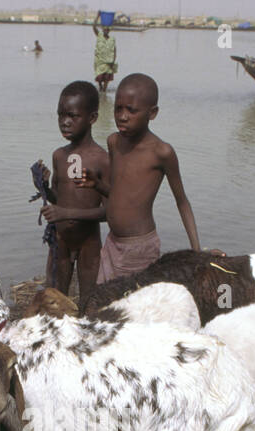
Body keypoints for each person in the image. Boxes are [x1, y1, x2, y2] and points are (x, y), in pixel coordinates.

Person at [76, 73, 205, 282]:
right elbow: (121, 195)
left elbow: (181, 201)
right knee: (106, 306)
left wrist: (197, 250)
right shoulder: (114, 143)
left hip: (139, 248)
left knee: (138, 306)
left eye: (132, 110)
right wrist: (98, 185)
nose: (123, 116)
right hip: (112, 243)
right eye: (118, 108)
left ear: (152, 113)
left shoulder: (161, 152)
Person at [38, 80, 109, 299]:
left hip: (89, 242)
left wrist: (66, 214)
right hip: (60, 241)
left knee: (88, 302)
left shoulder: (102, 159)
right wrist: (45, 188)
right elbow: (60, 200)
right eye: (60, 115)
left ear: (92, 118)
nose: (65, 122)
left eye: (72, 116)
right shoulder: (59, 155)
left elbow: (108, 212)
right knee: (56, 299)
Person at [93, 24, 116, 93]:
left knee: (107, 77)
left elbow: (114, 50)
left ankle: (104, 91)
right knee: (99, 77)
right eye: (105, 30)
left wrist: (114, 60)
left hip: (109, 61)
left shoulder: (112, 39)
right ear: (102, 30)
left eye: (107, 30)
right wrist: (97, 16)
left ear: (109, 31)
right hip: (100, 61)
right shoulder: (99, 36)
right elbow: (94, 27)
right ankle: (100, 86)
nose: (106, 31)